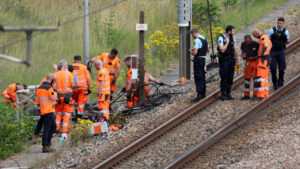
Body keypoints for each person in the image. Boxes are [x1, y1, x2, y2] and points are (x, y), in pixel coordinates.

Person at [36, 73, 57, 153]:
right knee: (48, 129)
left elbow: (37, 100)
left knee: (52, 127)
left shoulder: (39, 87)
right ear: (51, 80)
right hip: (49, 111)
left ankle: (47, 144)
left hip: (43, 110)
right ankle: (45, 146)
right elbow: (53, 98)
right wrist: (54, 90)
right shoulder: (49, 88)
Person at [217, 25, 239, 100]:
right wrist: (227, 43)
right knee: (224, 77)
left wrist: (237, 60)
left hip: (231, 60)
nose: (234, 32)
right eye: (233, 31)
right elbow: (222, 50)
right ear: (229, 31)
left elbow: (235, 49)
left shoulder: (233, 38)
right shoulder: (221, 38)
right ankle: (223, 94)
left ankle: (228, 93)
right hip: (224, 61)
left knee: (230, 77)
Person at [268, 17, 290, 90]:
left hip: (281, 51)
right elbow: (267, 40)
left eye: (280, 23)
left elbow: (288, 41)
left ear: (283, 23)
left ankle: (280, 81)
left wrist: (285, 38)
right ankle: (275, 83)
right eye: (278, 23)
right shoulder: (272, 30)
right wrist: (272, 36)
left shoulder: (286, 31)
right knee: (273, 68)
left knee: (282, 67)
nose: (279, 24)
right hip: (273, 51)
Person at [54, 60, 75, 140]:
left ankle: (56, 129)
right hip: (68, 96)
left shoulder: (55, 74)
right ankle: (64, 132)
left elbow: (53, 86)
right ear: (65, 66)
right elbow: (72, 85)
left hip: (58, 97)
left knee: (58, 113)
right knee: (66, 114)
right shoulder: (69, 74)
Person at [190, 28, 209, 102]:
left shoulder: (197, 40)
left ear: (195, 33)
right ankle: (203, 93)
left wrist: (191, 51)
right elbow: (208, 50)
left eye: (192, 35)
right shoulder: (205, 39)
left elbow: (195, 53)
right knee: (202, 76)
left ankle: (199, 94)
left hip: (198, 60)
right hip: (203, 59)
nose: (192, 36)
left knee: (198, 77)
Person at [252, 29, 272, 100]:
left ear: (257, 33)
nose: (255, 37)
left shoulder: (262, 37)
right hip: (267, 58)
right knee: (265, 77)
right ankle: (265, 93)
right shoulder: (266, 37)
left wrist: (262, 53)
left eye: (254, 35)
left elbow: (265, 46)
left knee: (261, 76)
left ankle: (261, 95)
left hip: (263, 59)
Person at [240, 35, 260, 100]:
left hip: (255, 62)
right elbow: (242, 51)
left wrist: (253, 58)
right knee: (247, 78)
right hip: (248, 62)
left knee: (256, 78)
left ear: (251, 40)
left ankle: (255, 94)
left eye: (248, 42)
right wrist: (243, 56)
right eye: (246, 42)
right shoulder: (243, 44)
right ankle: (246, 95)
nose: (247, 43)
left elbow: (260, 54)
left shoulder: (256, 44)